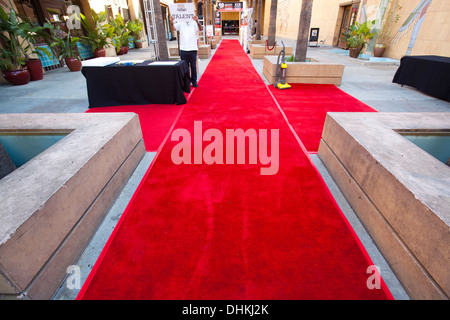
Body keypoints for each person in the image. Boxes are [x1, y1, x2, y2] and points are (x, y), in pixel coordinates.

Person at [170, 15, 203, 88]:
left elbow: (200, 29)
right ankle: (186, 82)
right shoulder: (180, 22)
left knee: (193, 66)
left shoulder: (194, 22)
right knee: (185, 67)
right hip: (183, 49)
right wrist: (171, 21)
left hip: (193, 48)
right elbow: (173, 28)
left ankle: (194, 81)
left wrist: (197, 21)